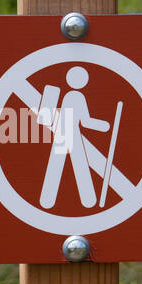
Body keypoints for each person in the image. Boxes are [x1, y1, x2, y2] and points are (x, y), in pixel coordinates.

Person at [40, 66, 110, 209]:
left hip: (62, 133)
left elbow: (47, 118)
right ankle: (88, 201)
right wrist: (104, 126)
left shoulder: (63, 94)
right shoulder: (77, 96)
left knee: (57, 165)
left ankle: (47, 201)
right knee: (79, 166)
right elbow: (85, 121)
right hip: (72, 135)